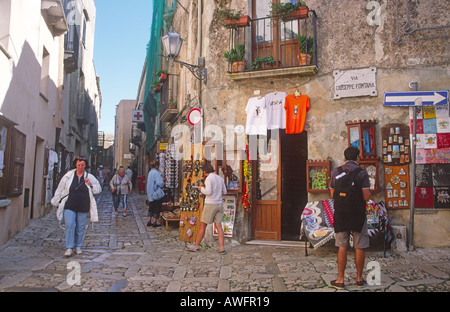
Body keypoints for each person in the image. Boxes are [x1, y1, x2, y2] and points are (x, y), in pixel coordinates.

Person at [329, 146, 371, 289]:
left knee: (342, 245)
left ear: (345, 157)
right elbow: (366, 196)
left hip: (341, 213)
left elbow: (332, 194)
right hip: (358, 213)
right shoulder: (362, 173)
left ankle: (340, 280)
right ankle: (359, 278)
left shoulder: (336, 171)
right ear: (358, 157)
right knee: (360, 246)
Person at [51, 156, 102, 258]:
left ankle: (78, 245)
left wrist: (90, 185)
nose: (80, 167)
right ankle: (69, 247)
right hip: (70, 204)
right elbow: (60, 188)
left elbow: (98, 189)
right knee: (70, 224)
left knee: (80, 226)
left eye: (82, 165)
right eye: (79, 165)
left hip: (83, 205)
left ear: (85, 166)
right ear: (76, 165)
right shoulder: (68, 176)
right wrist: (56, 200)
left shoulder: (89, 176)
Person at [188, 163, 227, 254]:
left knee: (203, 225)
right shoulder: (220, 178)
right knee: (219, 226)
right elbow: (224, 191)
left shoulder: (209, 178)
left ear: (205, 171)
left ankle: (196, 245)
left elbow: (208, 192)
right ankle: (221, 247)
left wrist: (201, 188)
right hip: (219, 203)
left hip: (210, 204)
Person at [146, 160, 165, 227]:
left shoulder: (150, 172)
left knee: (151, 207)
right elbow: (159, 183)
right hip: (155, 193)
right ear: (157, 166)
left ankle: (149, 221)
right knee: (157, 207)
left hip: (150, 192)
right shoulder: (156, 173)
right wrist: (163, 181)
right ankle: (154, 222)